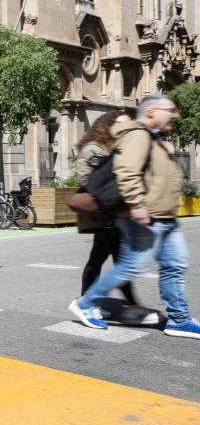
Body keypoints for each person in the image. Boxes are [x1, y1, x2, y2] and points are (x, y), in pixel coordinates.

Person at [69, 94, 200, 337]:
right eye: (170, 109)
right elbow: (126, 171)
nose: (175, 114)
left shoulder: (154, 138)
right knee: (129, 264)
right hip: (142, 214)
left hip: (164, 216)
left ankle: (179, 319)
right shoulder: (137, 135)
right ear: (151, 112)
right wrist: (137, 205)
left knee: (174, 264)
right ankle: (86, 303)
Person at [73, 111, 156, 325]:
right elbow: (84, 177)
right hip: (101, 213)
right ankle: (127, 305)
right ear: (108, 126)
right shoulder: (92, 148)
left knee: (103, 258)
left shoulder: (116, 147)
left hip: (112, 212)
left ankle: (91, 303)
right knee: (118, 260)